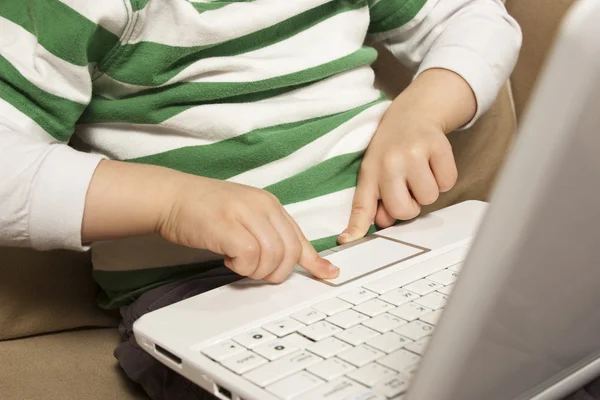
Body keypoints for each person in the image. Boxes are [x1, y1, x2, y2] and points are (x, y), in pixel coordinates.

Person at [0, 0, 521, 398]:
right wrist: (170, 202)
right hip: (203, 290)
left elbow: (470, 15)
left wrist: (425, 110)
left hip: (394, 249)